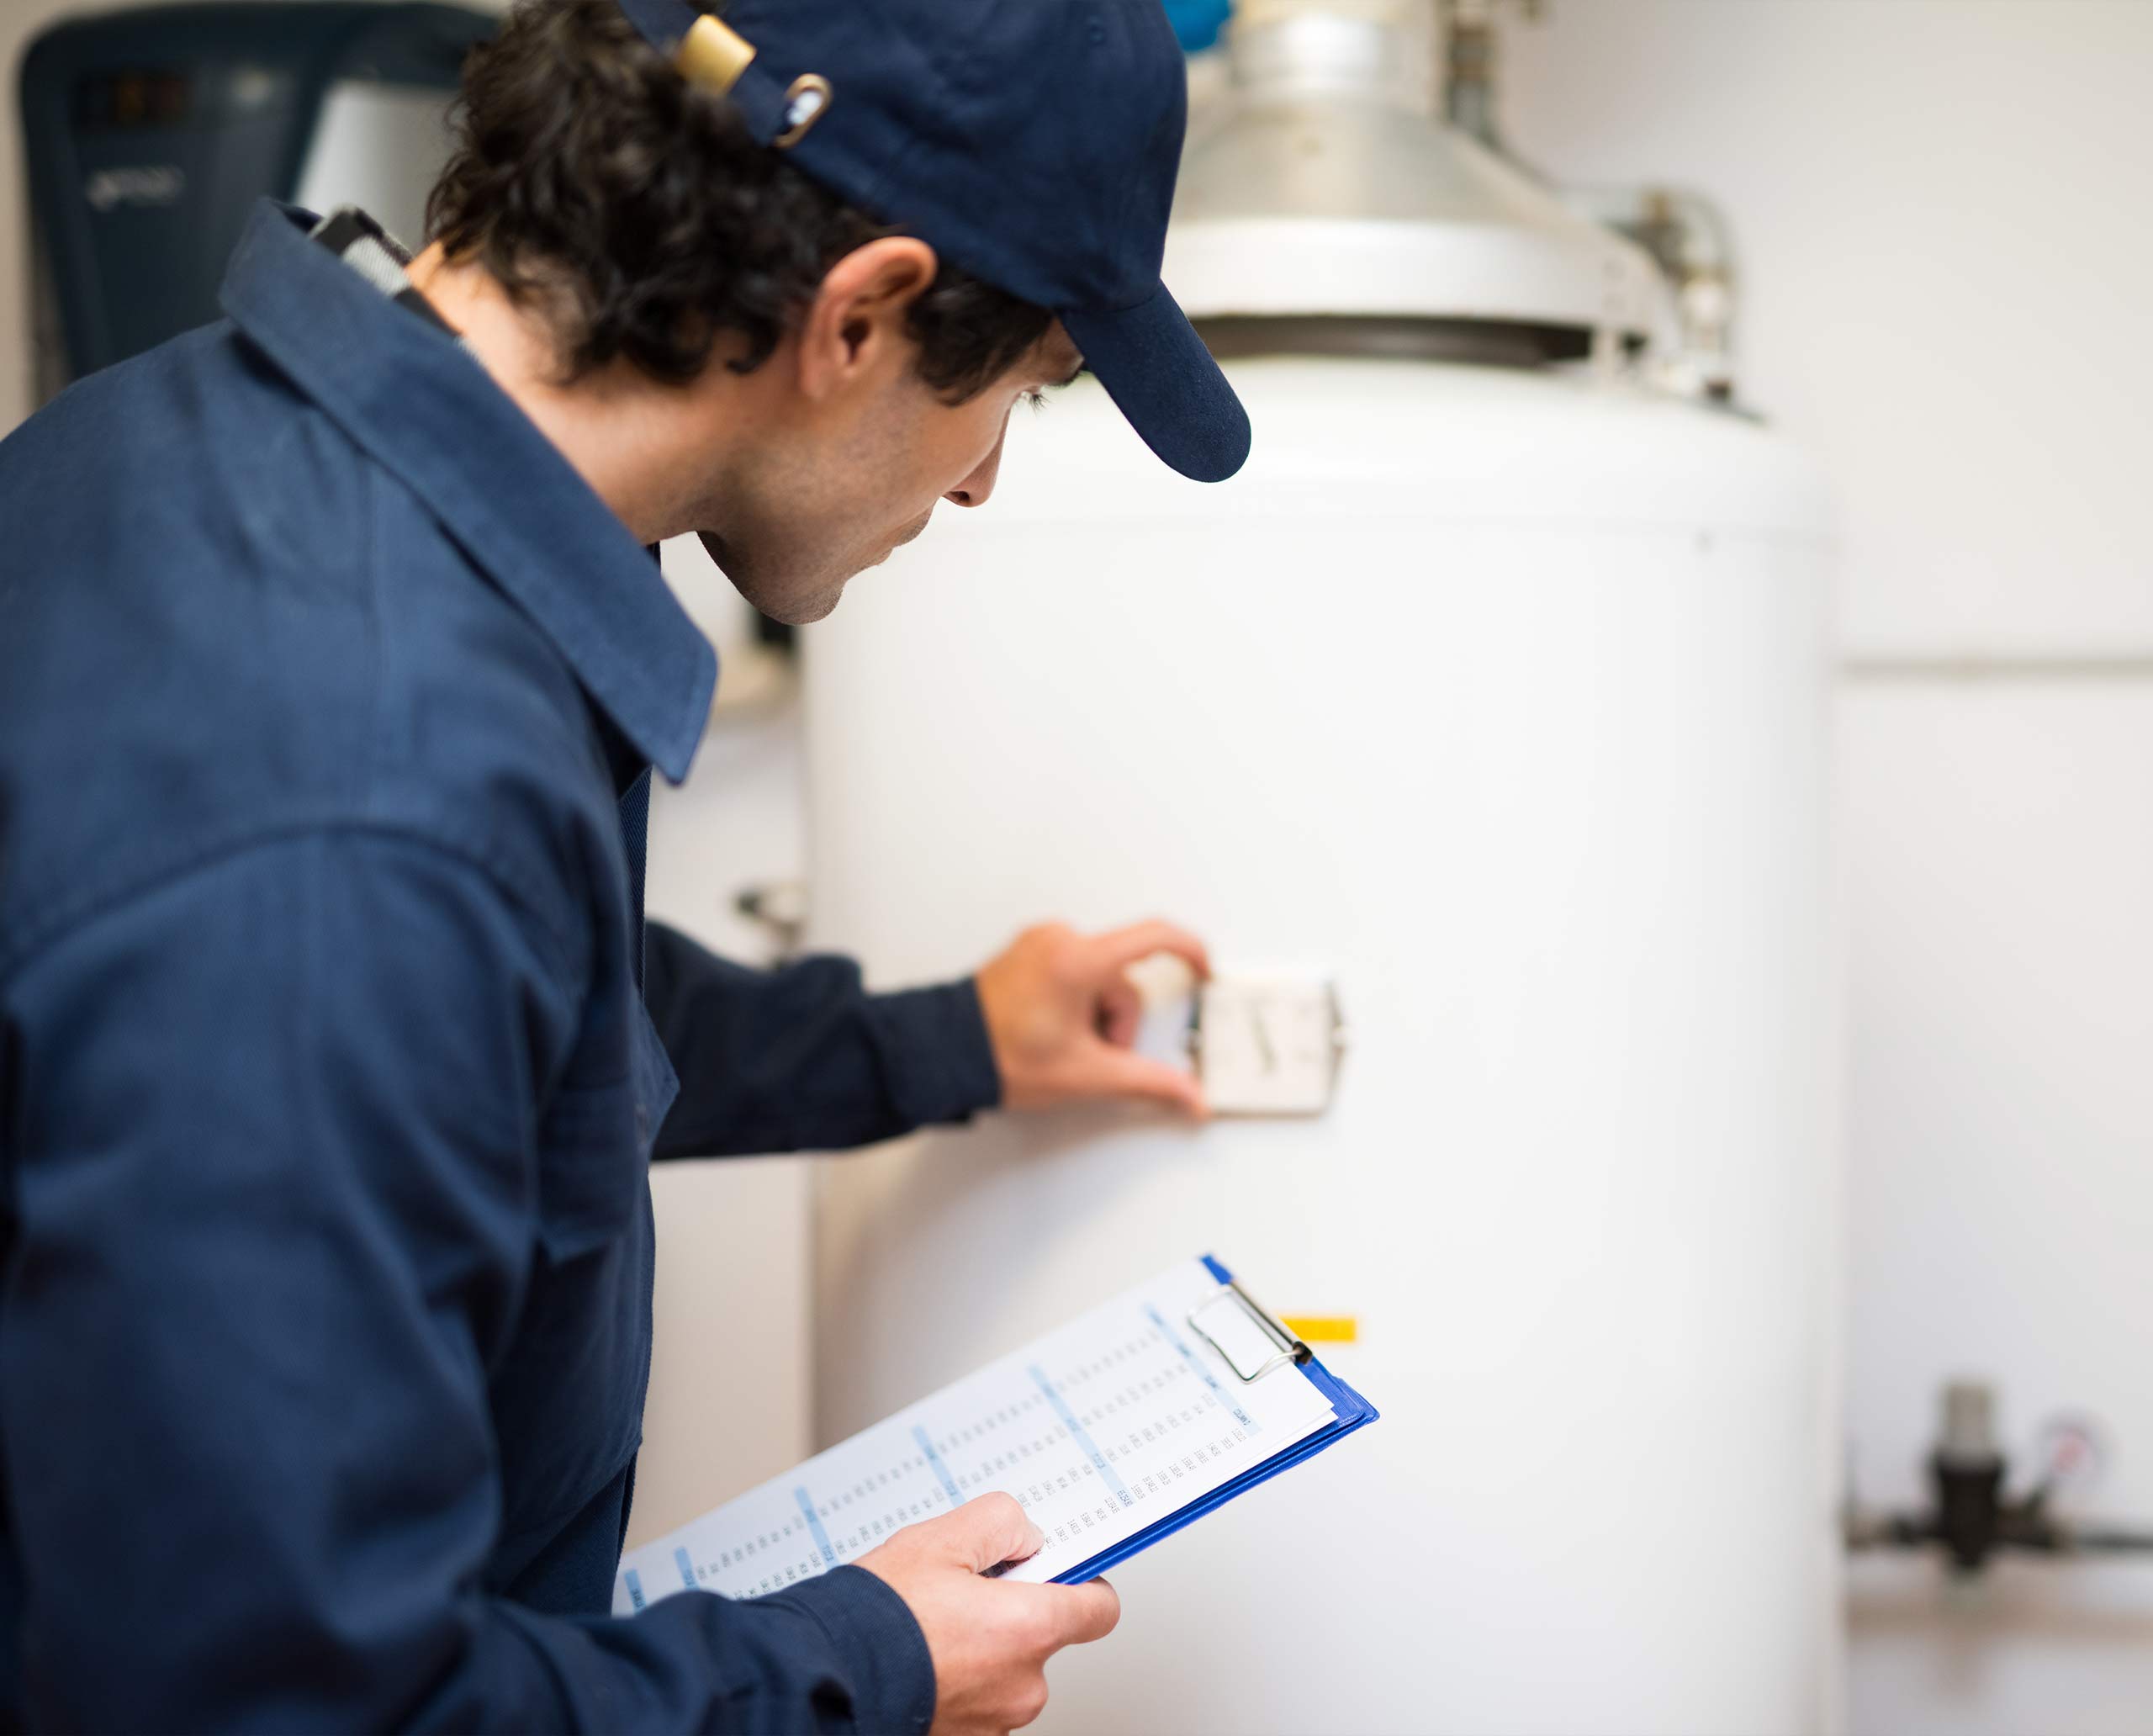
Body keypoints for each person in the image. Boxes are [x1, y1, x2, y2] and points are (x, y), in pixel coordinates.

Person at [0, 0, 1251, 1728]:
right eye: (1019, 395)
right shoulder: (357, 794)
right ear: (863, 312)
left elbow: (501, 1015)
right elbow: (273, 1698)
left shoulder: (185, 451)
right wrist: (858, 1666)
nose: (972, 492)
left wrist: (950, 1038)